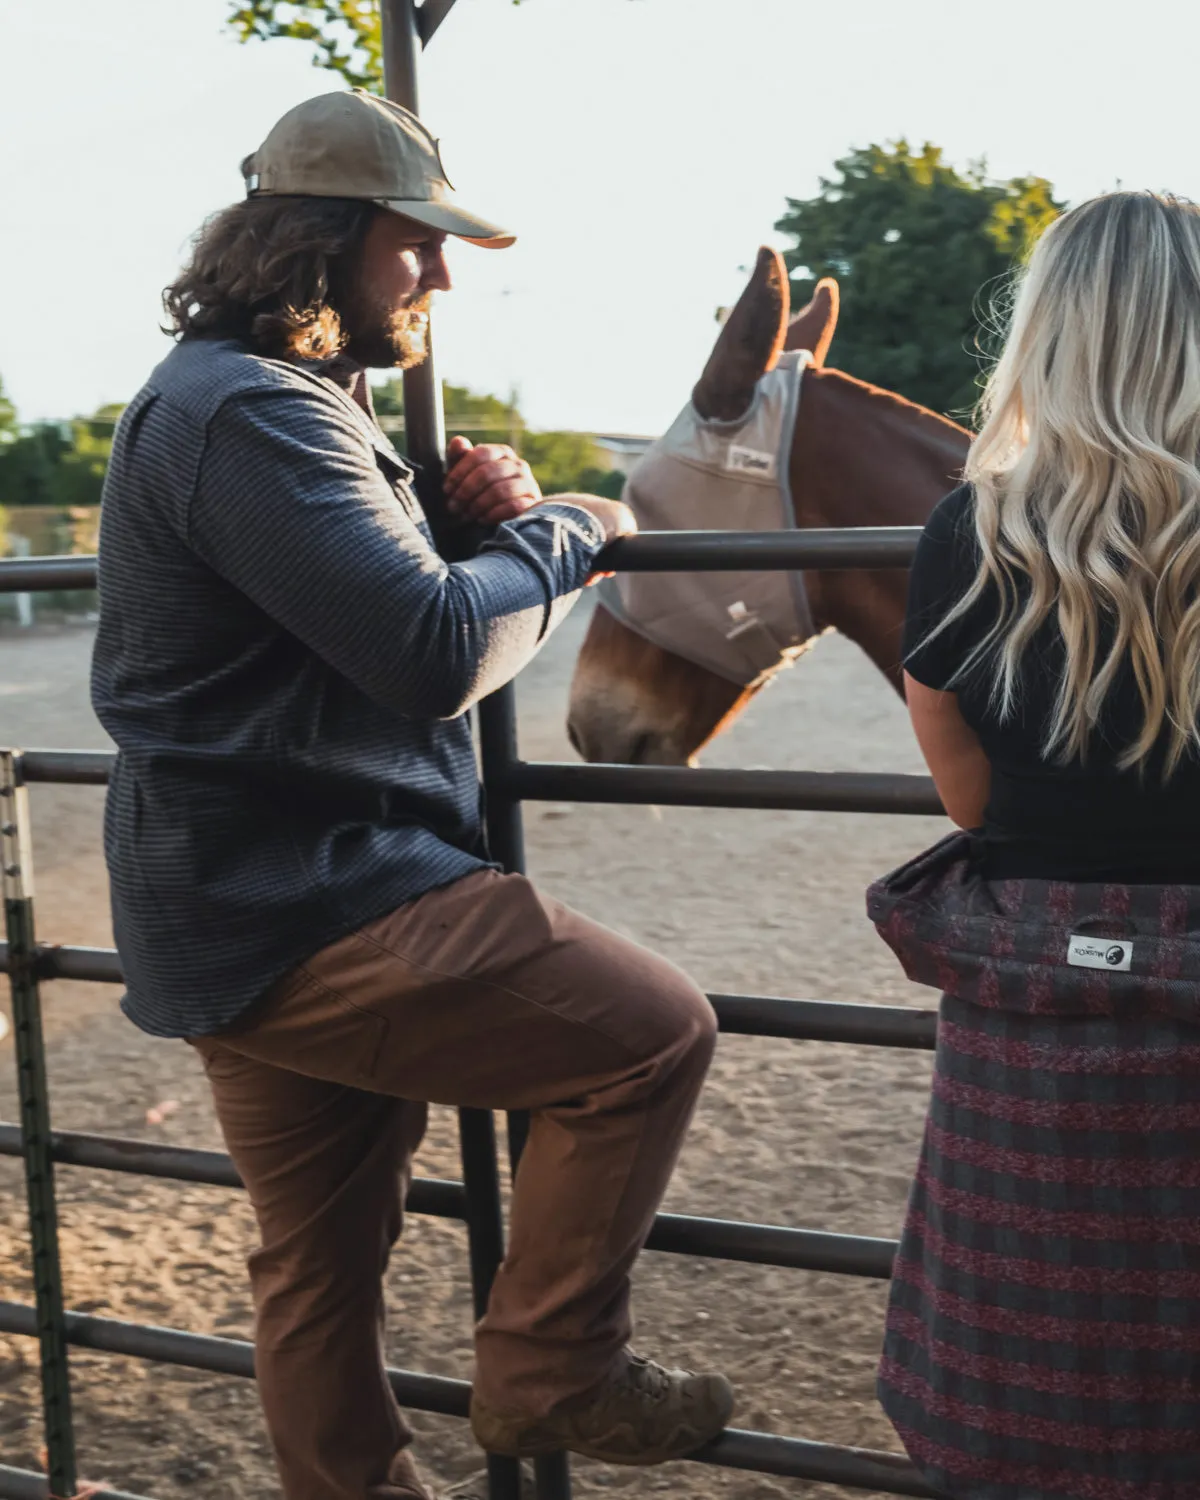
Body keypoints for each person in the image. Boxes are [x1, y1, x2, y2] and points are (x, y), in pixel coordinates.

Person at [90, 89, 733, 1500]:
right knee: (647, 1039)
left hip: (231, 897)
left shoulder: (256, 403)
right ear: (320, 244)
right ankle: (556, 1369)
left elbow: (336, 599)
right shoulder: (251, 408)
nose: (439, 276)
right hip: (317, 892)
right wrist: (572, 529)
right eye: (415, 246)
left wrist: (452, 521)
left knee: (316, 1269)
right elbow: (434, 648)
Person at [868, 190, 1200, 1499]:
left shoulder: (968, 538)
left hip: (1037, 1023)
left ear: (1047, 334)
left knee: (1024, 1390)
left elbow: (967, 801)